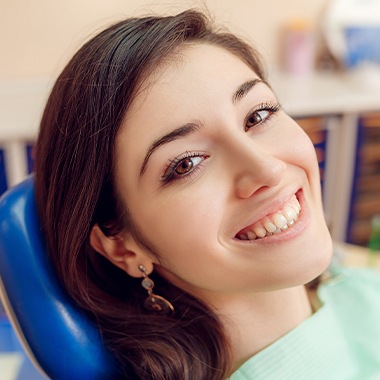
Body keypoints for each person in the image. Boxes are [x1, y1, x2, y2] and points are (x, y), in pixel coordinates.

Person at [34, 9, 380, 380]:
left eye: (258, 116)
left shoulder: (353, 289)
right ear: (123, 247)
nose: (268, 169)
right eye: (186, 164)